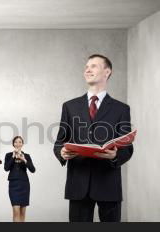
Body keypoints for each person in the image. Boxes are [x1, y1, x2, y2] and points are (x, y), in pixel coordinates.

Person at [53, 54, 133, 222]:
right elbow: (59, 142)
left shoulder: (121, 109)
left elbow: (127, 147)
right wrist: (62, 153)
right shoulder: (69, 107)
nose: (88, 69)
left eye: (94, 66)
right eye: (86, 67)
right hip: (78, 184)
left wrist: (115, 155)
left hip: (108, 184)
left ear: (107, 72)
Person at [4, 136, 36, 222]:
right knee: (16, 211)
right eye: (16, 142)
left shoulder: (27, 156)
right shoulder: (8, 155)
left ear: (22, 144)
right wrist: (13, 157)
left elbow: (33, 170)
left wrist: (24, 160)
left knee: (22, 212)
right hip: (13, 185)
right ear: (13, 144)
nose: (18, 144)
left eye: (20, 142)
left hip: (24, 184)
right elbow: (6, 168)